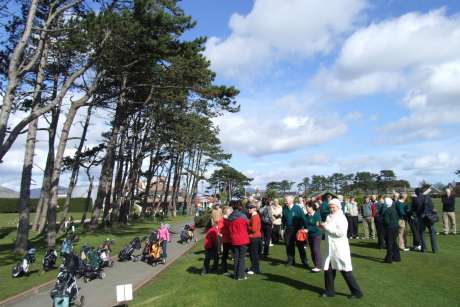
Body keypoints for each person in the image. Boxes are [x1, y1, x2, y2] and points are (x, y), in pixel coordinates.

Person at [320, 198, 363, 299]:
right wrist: (322, 227)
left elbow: (341, 233)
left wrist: (327, 228)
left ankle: (357, 293)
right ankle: (329, 292)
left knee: (345, 270)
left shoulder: (341, 218)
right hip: (329, 248)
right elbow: (328, 230)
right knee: (328, 270)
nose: (332, 209)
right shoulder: (328, 216)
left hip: (339, 248)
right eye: (330, 207)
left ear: (338, 206)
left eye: (333, 207)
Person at [282, 195, 308, 267]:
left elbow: (303, 218)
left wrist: (305, 227)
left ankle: (304, 262)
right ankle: (291, 261)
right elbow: (283, 219)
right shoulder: (284, 208)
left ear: (291, 200)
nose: (285, 201)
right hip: (288, 229)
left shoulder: (297, 208)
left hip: (297, 229)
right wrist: (282, 228)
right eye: (285, 200)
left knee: (300, 246)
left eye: (286, 200)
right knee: (289, 246)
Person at [228, 200, 250, 280]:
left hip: (234, 239)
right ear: (240, 207)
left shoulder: (230, 217)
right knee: (241, 258)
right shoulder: (243, 216)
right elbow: (249, 225)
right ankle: (241, 275)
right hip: (242, 239)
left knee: (236, 257)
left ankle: (236, 275)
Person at [414, 188, 438, 253]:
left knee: (422, 233)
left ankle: (424, 248)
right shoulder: (428, 198)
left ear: (416, 193)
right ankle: (434, 249)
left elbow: (415, 210)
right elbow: (432, 207)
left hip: (421, 218)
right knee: (432, 233)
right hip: (429, 217)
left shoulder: (416, 199)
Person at [382, 198, 401, 263]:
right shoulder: (394, 210)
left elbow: (386, 221)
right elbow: (397, 218)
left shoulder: (386, 211)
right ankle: (397, 257)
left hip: (390, 229)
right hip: (396, 228)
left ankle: (389, 258)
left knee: (389, 243)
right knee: (394, 242)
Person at [305, 202, 322, 272]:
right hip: (309, 235)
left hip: (317, 235)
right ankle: (316, 265)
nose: (306, 209)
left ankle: (318, 266)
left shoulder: (317, 215)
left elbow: (317, 227)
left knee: (315, 249)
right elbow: (305, 224)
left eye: (307, 207)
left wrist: (308, 229)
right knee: (312, 250)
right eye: (306, 207)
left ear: (311, 207)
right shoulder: (306, 215)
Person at [247, 204, 262, 275]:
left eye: (251, 208)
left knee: (254, 254)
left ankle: (255, 269)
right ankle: (254, 268)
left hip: (254, 237)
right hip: (255, 237)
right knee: (254, 254)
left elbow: (254, 229)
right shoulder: (254, 216)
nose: (249, 209)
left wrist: (247, 226)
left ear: (254, 209)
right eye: (249, 208)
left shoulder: (255, 216)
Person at [220, 206, 233, 273]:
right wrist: (229, 230)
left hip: (230, 239)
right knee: (225, 254)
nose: (231, 212)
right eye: (229, 211)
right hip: (226, 239)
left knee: (231, 253)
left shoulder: (228, 219)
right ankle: (224, 269)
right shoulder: (222, 219)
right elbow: (221, 229)